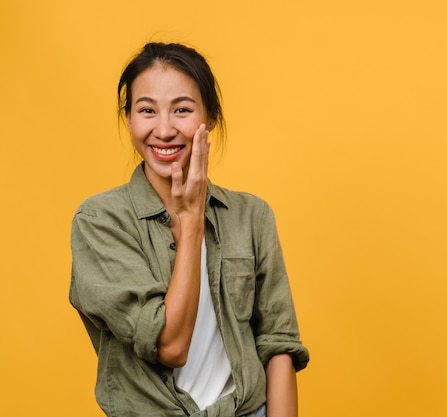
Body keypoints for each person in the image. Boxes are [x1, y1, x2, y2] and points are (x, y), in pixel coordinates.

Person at [69, 42, 309, 417]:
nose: (164, 130)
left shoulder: (252, 215)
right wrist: (193, 225)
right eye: (146, 110)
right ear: (129, 118)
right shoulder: (100, 221)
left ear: (209, 117)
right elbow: (171, 346)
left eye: (182, 110)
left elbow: (278, 342)